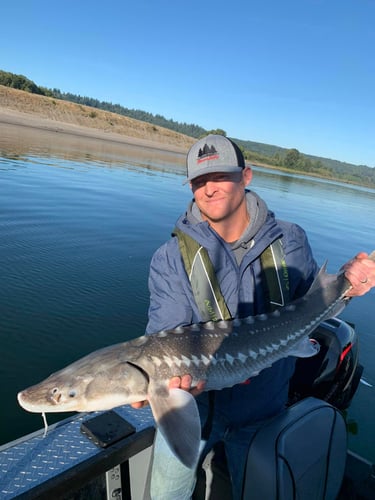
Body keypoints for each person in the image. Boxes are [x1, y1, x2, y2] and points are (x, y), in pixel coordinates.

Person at [133, 134, 375, 499]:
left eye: (220, 177)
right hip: (192, 412)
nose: (208, 189)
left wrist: (349, 286)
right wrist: (161, 385)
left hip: (265, 408)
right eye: (199, 181)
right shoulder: (169, 258)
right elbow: (166, 334)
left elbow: (311, 306)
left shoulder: (290, 239)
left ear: (246, 176)